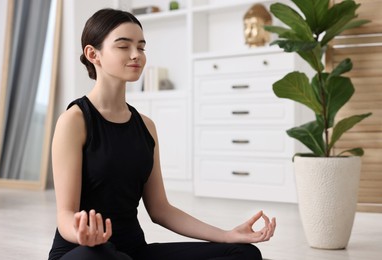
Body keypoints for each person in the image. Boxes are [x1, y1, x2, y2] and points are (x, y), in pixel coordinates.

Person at [48, 8, 276, 260]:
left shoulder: (146, 126)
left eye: (141, 47)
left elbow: (161, 210)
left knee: (243, 253)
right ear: (93, 54)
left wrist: (226, 234)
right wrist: (82, 234)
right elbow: (64, 215)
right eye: (123, 46)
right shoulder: (74, 121)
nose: (136, 55)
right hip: (85, 253)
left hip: (134, 253)